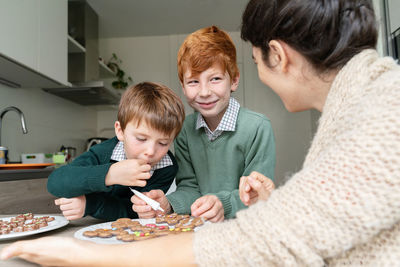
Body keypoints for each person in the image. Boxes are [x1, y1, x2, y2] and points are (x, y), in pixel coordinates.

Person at [2, 0, 400, 265]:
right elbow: (321, 217)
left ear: (276, 55)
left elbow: (268, 241)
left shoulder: (382, 114)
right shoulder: (368, 101)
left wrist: (79, 253)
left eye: (257, 62)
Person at [131, 25, 276, 222]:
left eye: (215, 79)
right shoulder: (184, 130)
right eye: (193, 82)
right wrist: (168, 203)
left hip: (245, 227)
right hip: (201, 229)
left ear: (233, 81)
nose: (205, 91)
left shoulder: (258, 128)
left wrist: (222, 204)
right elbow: (190, 187)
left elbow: (257, 194)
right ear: (182, 86)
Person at [46, 82, 185, 221]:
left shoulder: (167, 167)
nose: (150, 151)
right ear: (120, 131)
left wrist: (90, 205)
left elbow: (131, 212)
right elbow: (55, 182)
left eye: (163, 143)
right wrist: (110, 174)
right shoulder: (104, 152)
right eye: (141, 139)